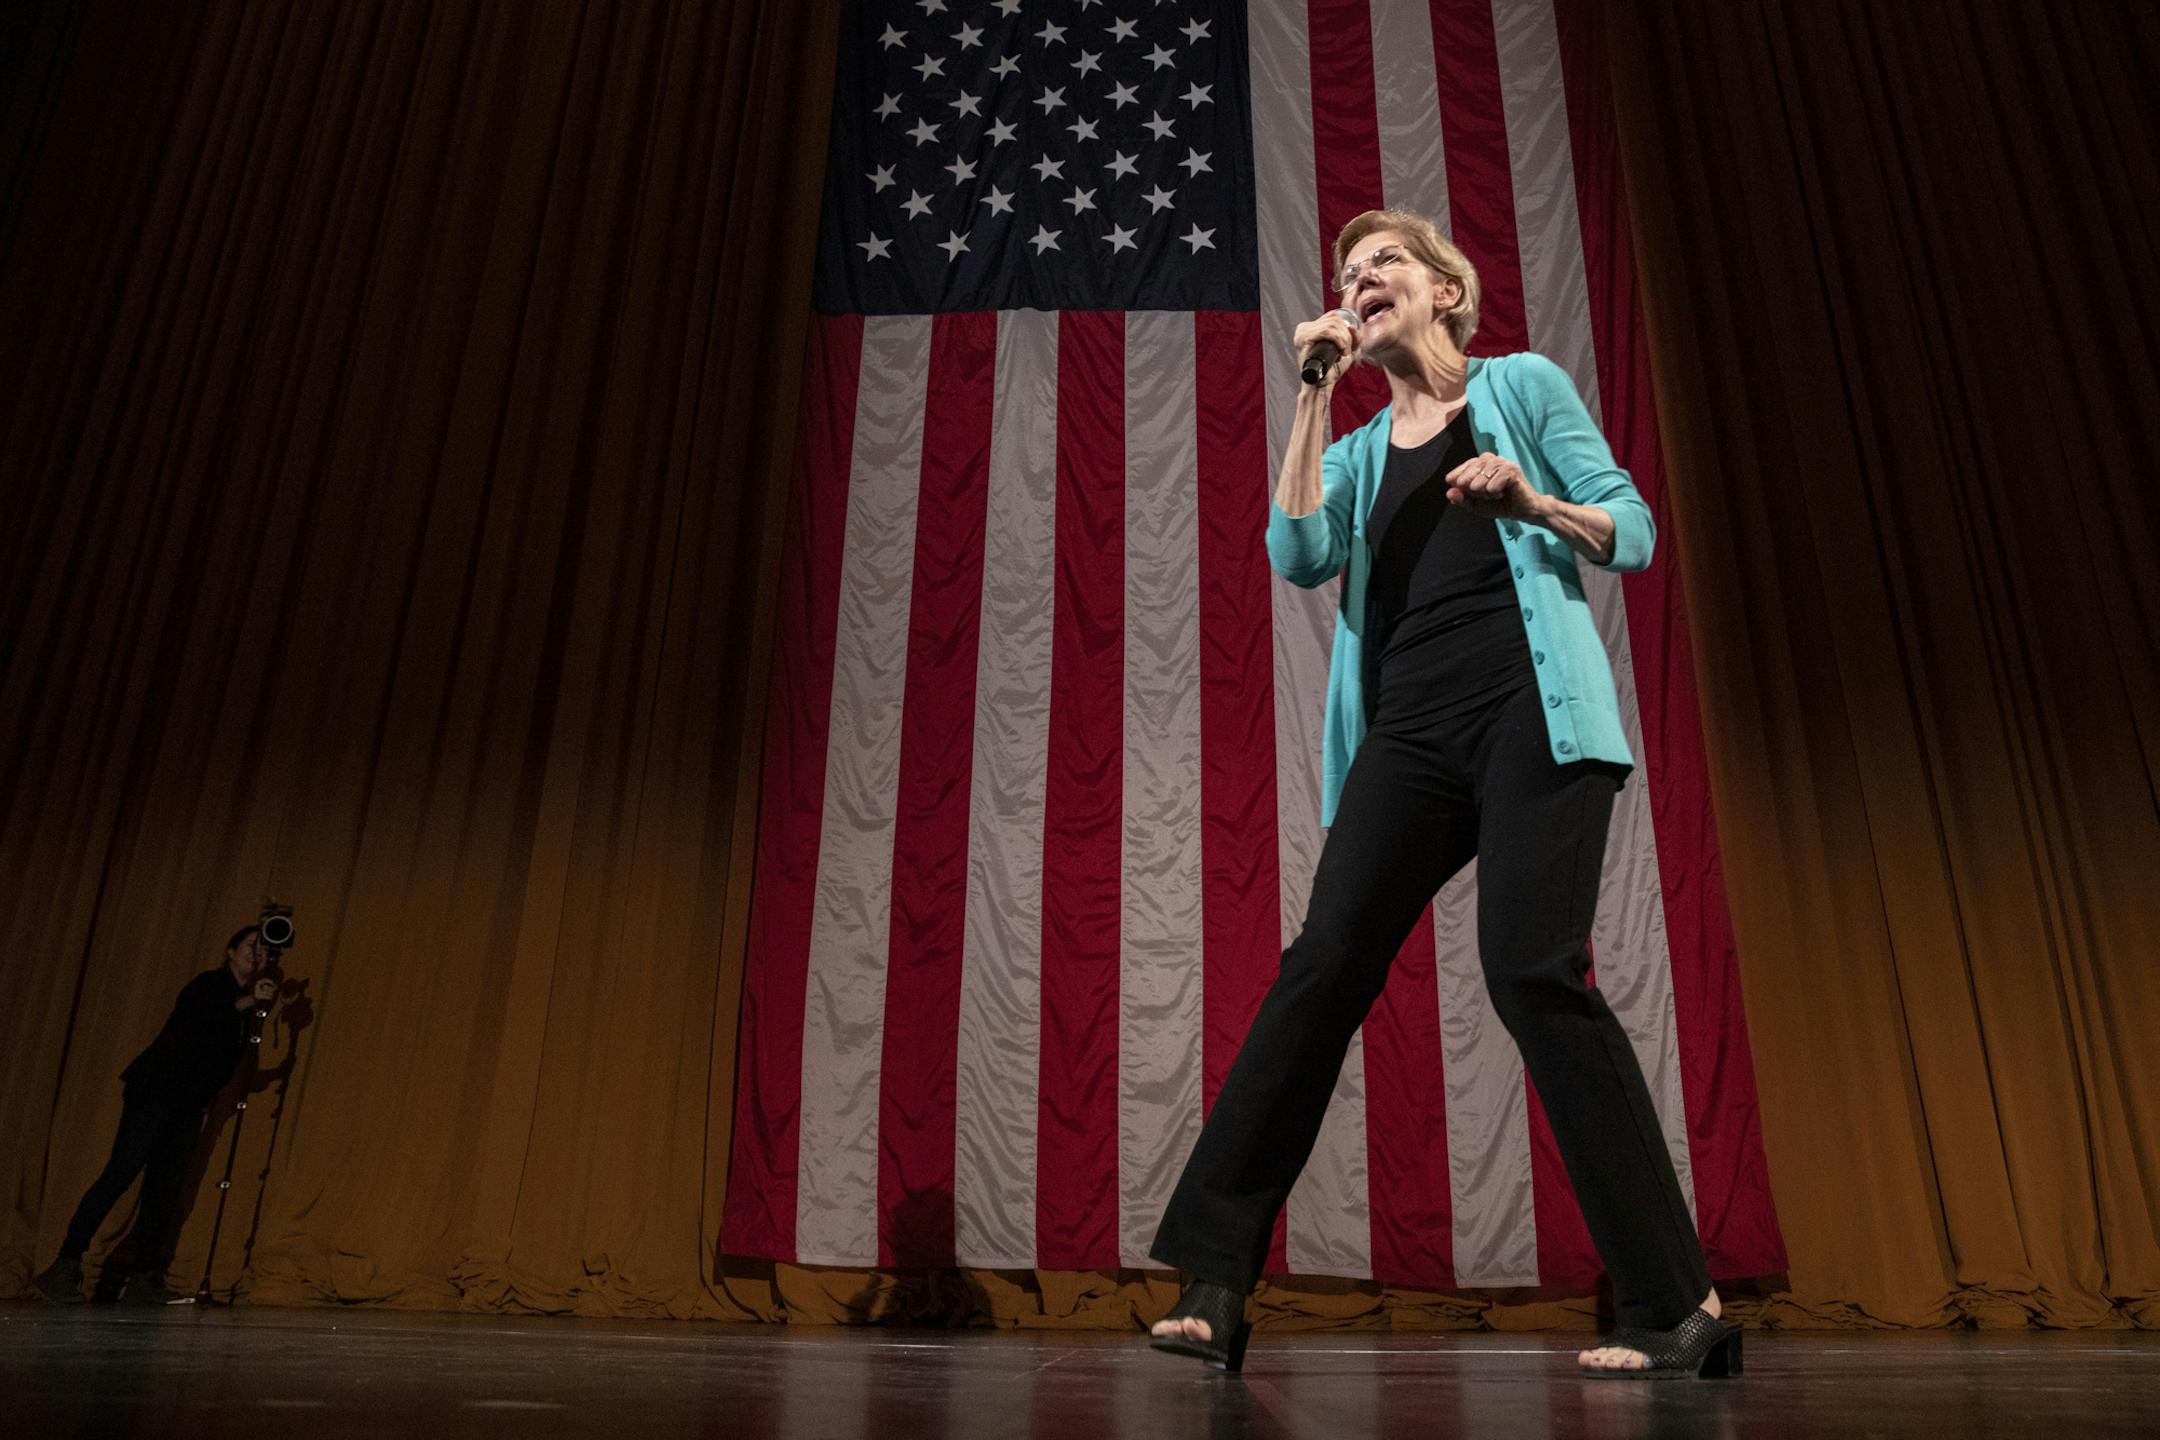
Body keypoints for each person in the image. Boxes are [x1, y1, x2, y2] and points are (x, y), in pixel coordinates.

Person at [1145, 210, 1739, 1380]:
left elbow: (1634, 528)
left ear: (1447, 291)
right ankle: (1215, 1279)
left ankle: (1676, 1305)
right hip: (1409, 736)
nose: (1362, 281)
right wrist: (1314, 389)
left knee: (1530, 972)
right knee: (1323, 966)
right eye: (1349, 275)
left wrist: (1534, 505)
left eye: (1386, 266)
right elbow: (1299, 555)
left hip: (1533, 714)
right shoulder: (1360, 448)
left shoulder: (1520, 385)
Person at [32, 925, 276, 1305]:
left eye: (262, 951)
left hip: (188, 1104)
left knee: (164, 1190)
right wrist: (248, 1004)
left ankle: (145, 1278)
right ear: (230, 951)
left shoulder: (244, 1005)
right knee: (121, 1173)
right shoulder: (208, 984)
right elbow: (205, 1011)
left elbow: (228, 1060)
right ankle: (64, 1265)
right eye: (249, 946)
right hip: (156, 1092)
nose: (256, 954)